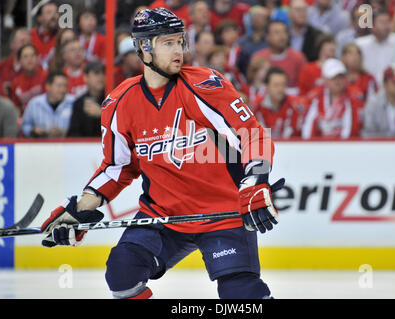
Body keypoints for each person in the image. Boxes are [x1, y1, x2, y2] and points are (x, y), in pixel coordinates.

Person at [39, 8, 284, 300]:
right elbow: (117, 168)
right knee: (122, 272)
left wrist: (255, 180)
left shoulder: (205, 85)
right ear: (144, 48)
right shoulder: (119, 102)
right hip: (163, 217)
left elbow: (251, 133)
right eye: (168, 43)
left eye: (180, 42)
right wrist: (78, 209)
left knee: (241, 293)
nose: (178, 50)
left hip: (223, 213)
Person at [301, 58, 363, 139]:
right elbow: (308, 126)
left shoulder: (353, 96)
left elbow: (352, 128)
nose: (338, 81)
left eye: (341, 77)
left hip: (344, 146)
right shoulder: (315, 97)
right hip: (318, 145)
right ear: (325, 79)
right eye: (333, 78)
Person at [252, 20, 307, 93]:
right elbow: (253, 84)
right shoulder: (258, 57)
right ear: (267, 37)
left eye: (284, 32)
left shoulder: (298, 57)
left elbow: (303, 87)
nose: (282, 36)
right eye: (277, 32)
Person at [253, 67, 307, 138]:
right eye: (276, 85)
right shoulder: (256, 107)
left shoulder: (296, 106)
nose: (280, 89)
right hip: (264, 146)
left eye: (283, 85)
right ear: (267, 86)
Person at [355, 9, 395, 87]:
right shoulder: (360, 44)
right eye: (382, 22)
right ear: (372, 26)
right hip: (368, 88)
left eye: (388, 22)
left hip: (393, 88)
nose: (386, 26)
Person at [21, 71, 74, 138]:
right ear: (48, 86)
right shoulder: (35, 103)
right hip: (41, 145)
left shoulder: (73, 102)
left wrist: (64, 132)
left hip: (67, 145)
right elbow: (25, 126)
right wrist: (33, 130)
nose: (62, 90)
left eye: (65, 86)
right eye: (59, 86)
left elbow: (80, 129)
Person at [67, 61, 105, 137]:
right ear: (85, 78)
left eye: (103, 73)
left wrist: (102, 114)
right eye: (96, 73)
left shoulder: (113, 100)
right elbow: (73, 134)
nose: (101, 77)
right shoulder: (79, 103)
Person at [0, 28, 31, 97]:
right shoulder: (1, 67)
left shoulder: (35, 69)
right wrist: (0, 88)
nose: (26, 45)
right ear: (12, 45)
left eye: (29, 43)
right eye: (22, 42)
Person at [10, 44, 48, 114]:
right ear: (20, 61)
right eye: (25, 57)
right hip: (25, 119)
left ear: (37, 58)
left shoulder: (46, 76)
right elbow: (16, 106)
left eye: (32, 55)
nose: (29, 59)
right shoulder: (16, 82)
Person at [237, 5, 270, 76]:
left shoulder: (271, 41)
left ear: (267, 21)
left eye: (259, 16)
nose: (255, 19)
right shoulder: (241, 41)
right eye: (253, 16)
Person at [30, 1, 59, 70]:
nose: (53, 16)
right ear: (39, 18)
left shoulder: (62, 36)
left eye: (56, 13)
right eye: (49, 12)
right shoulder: (30, 36)